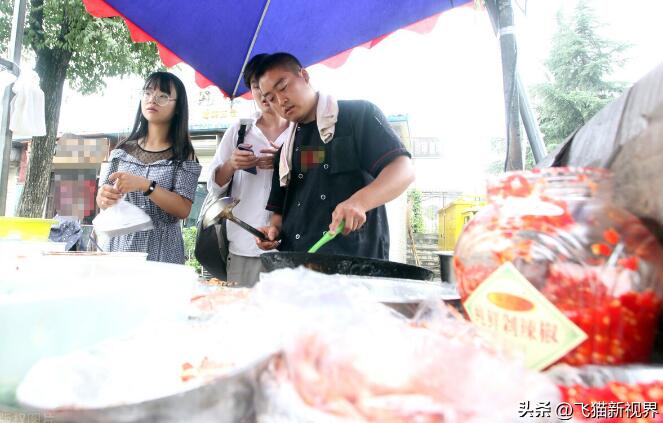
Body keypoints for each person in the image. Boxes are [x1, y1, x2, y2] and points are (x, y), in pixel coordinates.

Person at [254, 53, 415, 259]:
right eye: (270, 99)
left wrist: (359, 202)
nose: (281, 101)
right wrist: (273, 230)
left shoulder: (357, 115)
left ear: (304, 75)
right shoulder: (286, 149)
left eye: (283, 87)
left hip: (356, 262)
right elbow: (280, 211)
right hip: (299, 264)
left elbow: (403, 169)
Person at [96, 71, 201, 263]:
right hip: (119, 247)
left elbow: (183, 209)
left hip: (161, 251)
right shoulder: (122, 150)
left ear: (177, 107)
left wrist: (146, 185)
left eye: (163, 96)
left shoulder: (184, 156)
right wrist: (104, 197)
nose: (152, 99)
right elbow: (102, 200)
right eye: (148, 93)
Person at [207, 54, 292, 286]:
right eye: (256, 87)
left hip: (289, 249)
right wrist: (232, 164)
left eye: (271, 86)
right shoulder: (239, 131)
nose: (264, 94)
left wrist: (284, 161)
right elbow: (214, 186)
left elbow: (316, 173)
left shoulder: (301, 130)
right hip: (243, 245)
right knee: (240, 315)